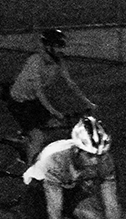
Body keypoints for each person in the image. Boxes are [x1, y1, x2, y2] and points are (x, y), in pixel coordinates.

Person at [7, 28, 97, 162]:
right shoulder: (35, 61)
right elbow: (39, 91)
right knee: (38, 136)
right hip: (19, 102)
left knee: (54, 127)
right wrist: (53, 111)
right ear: (48, 47)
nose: (61, 50)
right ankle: (32, 171)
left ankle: (36, 151)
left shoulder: (58, 61)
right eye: (57, 46)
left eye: (61, 46)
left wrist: (87, 102)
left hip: (33, 100)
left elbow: (70, 84)